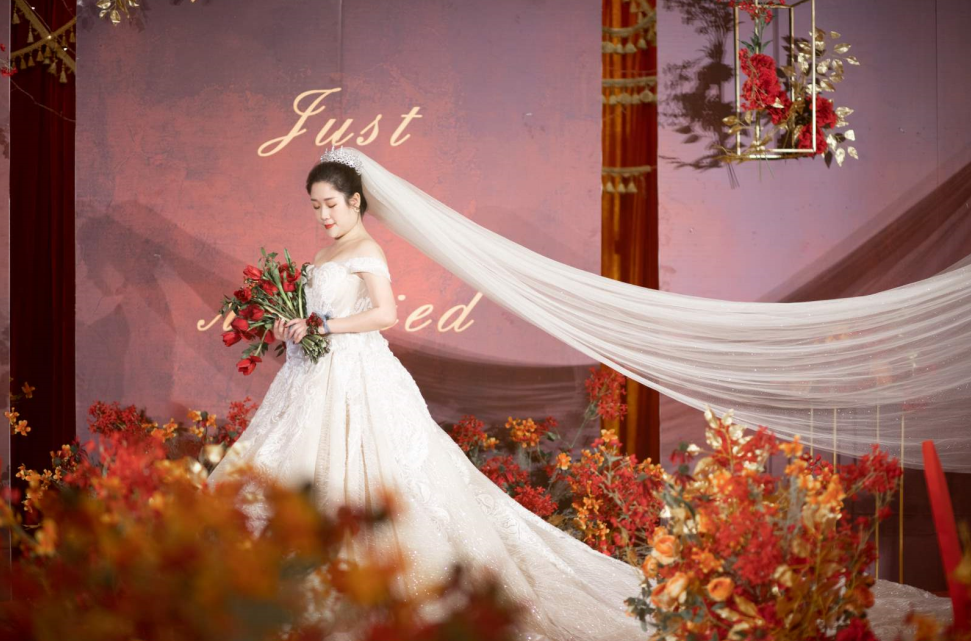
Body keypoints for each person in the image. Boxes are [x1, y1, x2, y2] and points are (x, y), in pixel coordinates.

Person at [206, 147, 955, 641]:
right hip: (317, 375)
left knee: (383, 478)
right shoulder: (326, 249)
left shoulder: (366, 249)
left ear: (356, 202)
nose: (322, 215)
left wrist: (322, 325)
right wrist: (295, 326)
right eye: (315, 206)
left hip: (357, 373)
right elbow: (325, 312)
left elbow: (386, 316)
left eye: (330, 204)